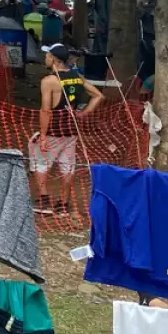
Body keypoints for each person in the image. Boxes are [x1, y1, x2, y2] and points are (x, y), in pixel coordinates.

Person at [31, 44, 104, 215]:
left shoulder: (49, 81)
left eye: (48, 56)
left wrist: (42, 135)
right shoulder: (76, 77)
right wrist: (84, 113)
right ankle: (64, 204)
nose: (45, 59)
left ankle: (44, 200)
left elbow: (46, 110)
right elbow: (99, 95)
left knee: (41, 163)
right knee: (67, 167)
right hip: (71, 130)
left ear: (55, 60)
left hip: (53, 131)